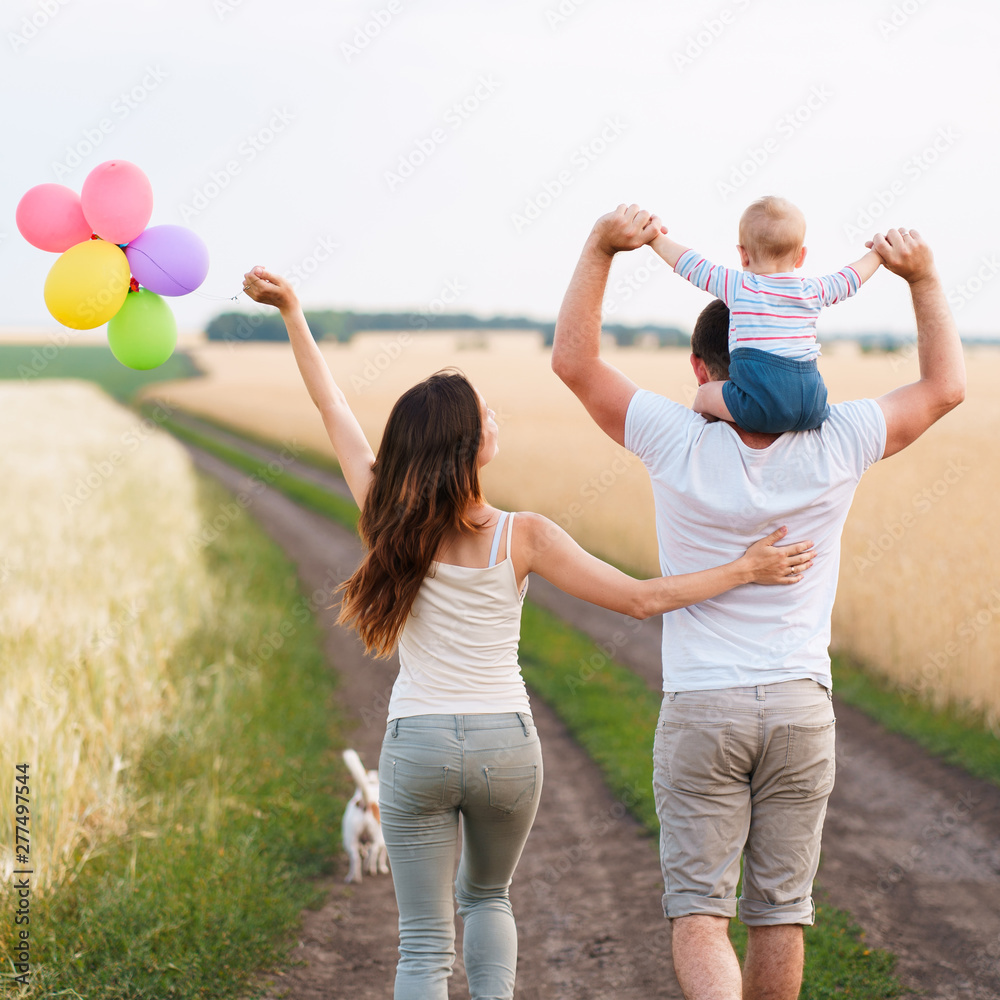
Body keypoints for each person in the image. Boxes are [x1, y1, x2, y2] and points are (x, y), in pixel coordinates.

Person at [241, 264, 816, 1000]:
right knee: (488, 899)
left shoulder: (385, 516)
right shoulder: (526, 536)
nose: (496, 421)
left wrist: (292, 310)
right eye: (486, 416)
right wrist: (744, 570)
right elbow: (641, 600)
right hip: (504, 747)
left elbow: (332, 409)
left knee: (421, 943)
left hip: (416, 742)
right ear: (471, 446)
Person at [551, 204, 965, 1000]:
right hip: (800, 702)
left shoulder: (673, 437)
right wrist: (923, 276)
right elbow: (945, 387)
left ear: (707, 371)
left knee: (702, 916)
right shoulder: (838, 439)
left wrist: (601, 244)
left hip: (702, 704)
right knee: (781, 914)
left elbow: (574, 363)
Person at [650, 195, 883, 432]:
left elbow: (692, 265)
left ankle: (703, 436)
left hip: (760, 407)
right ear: (801, 256)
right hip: (814, 405)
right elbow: (850, 278)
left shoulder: (739, 286)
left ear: (743, 254)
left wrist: (655, 239)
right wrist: (877, 254)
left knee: (705, 394)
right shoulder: (813, 290)